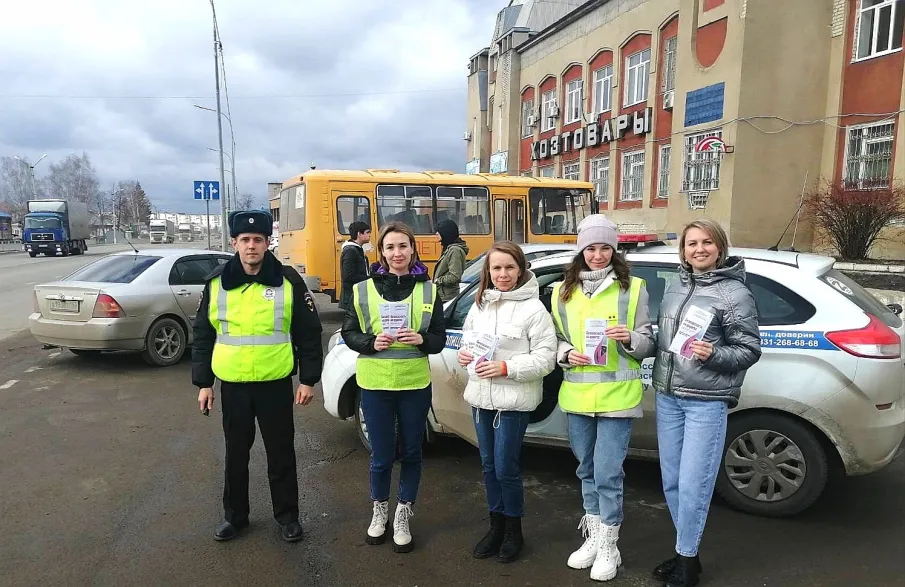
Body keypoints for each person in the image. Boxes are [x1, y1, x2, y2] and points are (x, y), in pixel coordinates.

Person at [192, 210, 324, 543]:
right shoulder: (216, 282)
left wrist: (309, 379)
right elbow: (203, 335)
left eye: (259, 240)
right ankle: (235, 517)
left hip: (275, 385)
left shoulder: (288, 281)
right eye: (245, 240)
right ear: (234, 242)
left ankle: (288, 517)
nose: (252, 246)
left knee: (281, 454)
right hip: (233, 387)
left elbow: (309, 334)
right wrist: (204, 383)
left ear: (268, 243)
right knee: (236, 456)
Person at [650, 219, 761, 587]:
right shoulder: (675, 287)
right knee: (672, 483)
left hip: (705, 401)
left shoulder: (734, 293)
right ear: (683, 249)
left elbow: (748, 350)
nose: (699, 249)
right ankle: (685, 550)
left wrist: (713, 354)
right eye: (691, 243)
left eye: (707, 242)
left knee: (694, 483)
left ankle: (687, 560)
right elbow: (663, 339)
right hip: (669, 397)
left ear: (720, 247)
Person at [551, 214, 655, 582]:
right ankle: (594, 536)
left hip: (617, 396)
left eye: (605, 248)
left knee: (608, 473)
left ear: (615, 249)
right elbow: (555, 341)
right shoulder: (561, 291)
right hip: (577, 394)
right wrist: (565, 353)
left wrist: (629, 338)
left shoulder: (634, 288)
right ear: (581, 250)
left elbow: (646, 343)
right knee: (585, 470)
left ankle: (610, 544)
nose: (598, 255)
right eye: (591, 248)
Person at [341, 221, 446, 553]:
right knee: (382, 455)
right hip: (375, 385)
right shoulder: (363, 289)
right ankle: (379, 512)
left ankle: (403, 514)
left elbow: (439, 340)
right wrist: (371, 342)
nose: (397, 252)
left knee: (412, 453)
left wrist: (422, 339)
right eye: (390, 247)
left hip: (414, 384)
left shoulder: (429, 290)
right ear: (381, 252)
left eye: (403, 246)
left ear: (413, 249)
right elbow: (349, 332)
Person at [456, 241, 557, 564]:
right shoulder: (479, 305)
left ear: (521, 269)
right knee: (488, 466)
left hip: (513, 401)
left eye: (509, 267)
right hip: (481, 398)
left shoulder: (534, 309)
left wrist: (506, 367)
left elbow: (546, 359)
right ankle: (495, 527)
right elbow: (467, 343)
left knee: (506, 467)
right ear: (488, 271)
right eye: (496, 268)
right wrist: (464, 356)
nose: (503, 274)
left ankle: (515, 531)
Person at [433, 218, 469, 302]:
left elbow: (455, 276)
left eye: (439, 231)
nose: (436, 233)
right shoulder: (448, 248)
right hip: (443, 294)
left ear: (446, 233)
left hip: (447, 297)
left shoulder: (455, 250)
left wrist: (437, 280)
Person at [339, 221, 372, 309]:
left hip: (358, 296)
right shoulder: (351, 251)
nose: (370, 235)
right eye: (367, 232)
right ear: (359, 234)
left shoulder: (357, 250)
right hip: (352, 297)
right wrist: (371, 278)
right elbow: (348, 276)